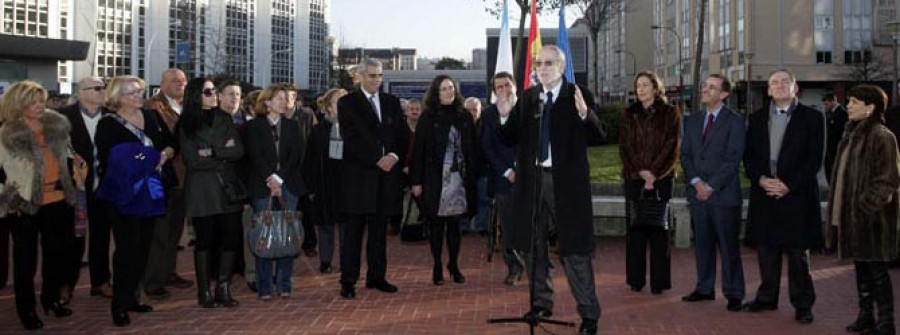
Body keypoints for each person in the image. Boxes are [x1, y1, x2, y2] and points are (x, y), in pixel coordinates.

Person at [497, 45, 604, 335]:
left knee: (574, 250)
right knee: (532, 245)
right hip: (532, 182)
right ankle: (542, 302)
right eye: (538, 63)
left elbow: (599, 136)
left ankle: (590, 313)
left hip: (566, 185)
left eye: (548, 63)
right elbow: (508, 139)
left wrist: (585, 115)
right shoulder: (530, 97)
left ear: (561, 66)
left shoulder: (578, 95)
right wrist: (505, 115)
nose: (542, 68)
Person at [742, 69, 823, 324]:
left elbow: (815, 159)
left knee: (798, 255)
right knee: (767, 251)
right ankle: (767, 297)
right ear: (767, 90)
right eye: (774, 82)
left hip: (796, 196)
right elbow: (749, 157)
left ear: (795, 87)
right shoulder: (755, 119)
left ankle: (803, 305)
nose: (779, 86)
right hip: (765, 194)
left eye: (785, 81)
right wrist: (761, 179)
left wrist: (787, 184)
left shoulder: (813, 118)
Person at [94, 75, 176, 326]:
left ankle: (132, 297)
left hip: (151, 192)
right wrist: (147, 159)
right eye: (132, 92)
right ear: (118, 97)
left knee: (143, 248)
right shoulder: (108, 124)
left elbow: (170, 143)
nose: (139, 96)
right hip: (124, 195)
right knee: (126, 250)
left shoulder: (151, 117)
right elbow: (110, 160)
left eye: (140, 91)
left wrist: (165, 154)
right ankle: (119, 304)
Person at [0, 81, 77, 330]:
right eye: (33, 102)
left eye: (41, 100)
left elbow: (69, 156)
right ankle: (27, 310)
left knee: (56, 256)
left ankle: (51, 300)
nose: (39, 106)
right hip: (23, 205)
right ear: (18, 103)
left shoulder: (56, 125)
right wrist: (9, 199)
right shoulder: (6, 133)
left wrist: (72, 180)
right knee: (25, 262)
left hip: (58, 200)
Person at [826, 84, 899, 335]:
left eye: (855, 102)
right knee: (862, 270)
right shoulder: (851, 134)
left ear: (870, 108)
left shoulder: (882, 136)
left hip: (873, 221)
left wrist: (863, 207)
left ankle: (886, 322)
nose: (848, 106)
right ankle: (866, 316)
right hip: (853, 219)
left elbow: (888, 180)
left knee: (877, 273)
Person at [337, 58, 405, 299]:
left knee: (379, 234)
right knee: (352, 235)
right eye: (372, 75)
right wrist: (378, 158)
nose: (377, 79)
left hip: (385, 180)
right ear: (360, 77)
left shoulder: (392, 102)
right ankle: (348, 281)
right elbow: (351, 138)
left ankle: (377, 277)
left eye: (379, 75)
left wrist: (394, 156)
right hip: (358, 179)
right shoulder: (347, 103)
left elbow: (401, 135)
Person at [680, 74, 746, 311]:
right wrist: (697, 182)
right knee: (702, 244)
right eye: (705, 86)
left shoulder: (735, 121)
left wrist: (710, 186)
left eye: (711, 87)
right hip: (697, 195)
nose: (705, 90)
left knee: (728, 247)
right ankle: (704, 288)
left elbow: (733, 159)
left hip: (724, 196)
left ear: (724, 94)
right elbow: (685, 155)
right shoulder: (692, 120)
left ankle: (734, 292)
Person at [177, 78, 245, 308]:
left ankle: (223, 287)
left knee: (230, 238)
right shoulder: (185, 123)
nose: (214, 94)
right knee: (205, 240)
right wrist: (221, 152)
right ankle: (204, 290)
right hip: (202, 191)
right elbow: (193, 160)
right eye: (208, 91)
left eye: (214, 90)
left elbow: (237, 151)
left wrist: (212, 152)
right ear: (196, 94)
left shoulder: (225, 118)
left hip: (227, 188)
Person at [409, 75, 478, 286]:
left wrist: (474, 174)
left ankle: (454, 265)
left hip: (459, 180)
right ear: (436, 93)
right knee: (437, 225)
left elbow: (472, 148)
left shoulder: (464, 116)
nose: (449, 91)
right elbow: (417, 151)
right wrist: (416, 181)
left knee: (455, 226)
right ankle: (437, 264)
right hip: (435, 179)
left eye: (451, 88)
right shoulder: (427, 117)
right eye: (444, 88)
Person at [619, 71, 680, 296]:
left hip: (661, 180)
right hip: (635, 179)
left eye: (645, 85)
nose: (641, 89)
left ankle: (659, 282)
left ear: (656, 88)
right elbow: (625, 146)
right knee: (635, 232)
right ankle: (635, 280)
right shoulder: (629, 114)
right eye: (638, 86)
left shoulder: (670, 113)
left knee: (659, 234)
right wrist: (641, 172)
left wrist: (654, 173)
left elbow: (671, 146)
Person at [242, 85, 305, 300]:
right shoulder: (254, 127)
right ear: (267, 102)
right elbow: (254, 155)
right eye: (279, 98)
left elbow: (297, 155)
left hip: (289, 184)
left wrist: (280, 177)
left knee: (286, 234)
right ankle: (265, 286)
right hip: (262, 185)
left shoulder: (293, 126)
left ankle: (284, 283)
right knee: (265, 234)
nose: (284, 102)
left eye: (286, 99)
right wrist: (270, 178)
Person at [57, 76, 115, 301]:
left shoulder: (111, 116)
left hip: (103, 186)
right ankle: (66, 284)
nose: (102, 92)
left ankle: (100, 282)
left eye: (104, 88)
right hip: (75, 188)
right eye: (97, 88)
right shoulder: (63, 117)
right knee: (73, 238)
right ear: (81, 91)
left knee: (101, 237)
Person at [143, 68, 193, 299]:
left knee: (175, 231)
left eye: (183, 81)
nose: (179, 84)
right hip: (164, 176)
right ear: (162, 83)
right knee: (159, 233)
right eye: (174, 81)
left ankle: (169, 271)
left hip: (185, 178)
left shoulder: (188, 106)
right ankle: (153, 280)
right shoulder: (153, 108)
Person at [481, 71, 524, 286]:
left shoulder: (529, 109)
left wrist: (522, 169)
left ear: (515, 86)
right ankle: (514, 267)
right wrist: (507, 172)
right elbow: (487, 148)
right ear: (494, 91)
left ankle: (535, 265)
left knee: (533, 224)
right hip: (503, 180)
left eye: (507, 85)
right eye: (499, 87)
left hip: (530, 176)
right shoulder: (489, 115)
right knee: (508, 227)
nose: (504, 90)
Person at [304, 88, 349, 274]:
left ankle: (348, 261)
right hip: (325, 183)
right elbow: (310, 160)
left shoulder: (354, 128)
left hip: (347, 184)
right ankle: (325, 261)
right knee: (326, 226)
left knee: (348, 227)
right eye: (339, 101)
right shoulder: (318, 130)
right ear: (329, 107)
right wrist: (311, 187)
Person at [283, 84, 319, 258]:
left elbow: (315, 138)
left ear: (295, 96)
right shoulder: (277, 116)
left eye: (288, 96)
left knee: (306, 211)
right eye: (282, 96)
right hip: (284, 171)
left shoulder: (306, 114)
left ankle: (309, 243)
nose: (285, 100)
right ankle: (288, 243)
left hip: (304, 169)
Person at [462, 97, 490, 235]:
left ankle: (482, 226)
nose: (472, 113)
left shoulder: (486, 127)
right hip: (463, 170)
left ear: (480, 111)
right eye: (469, 110)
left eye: (475, 110)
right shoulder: (459, 127)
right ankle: (464, 226)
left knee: (483, 200)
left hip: (482, 170)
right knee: (463, 199)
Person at [823, 93, 848, 183]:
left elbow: (839, 131)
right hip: (830, 147)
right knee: (829, 168)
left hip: (835, 147)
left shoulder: (841, 113)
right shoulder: (830, 113)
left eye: (826, 104)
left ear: (833, 101)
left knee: (834, 168)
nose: (825, 106)